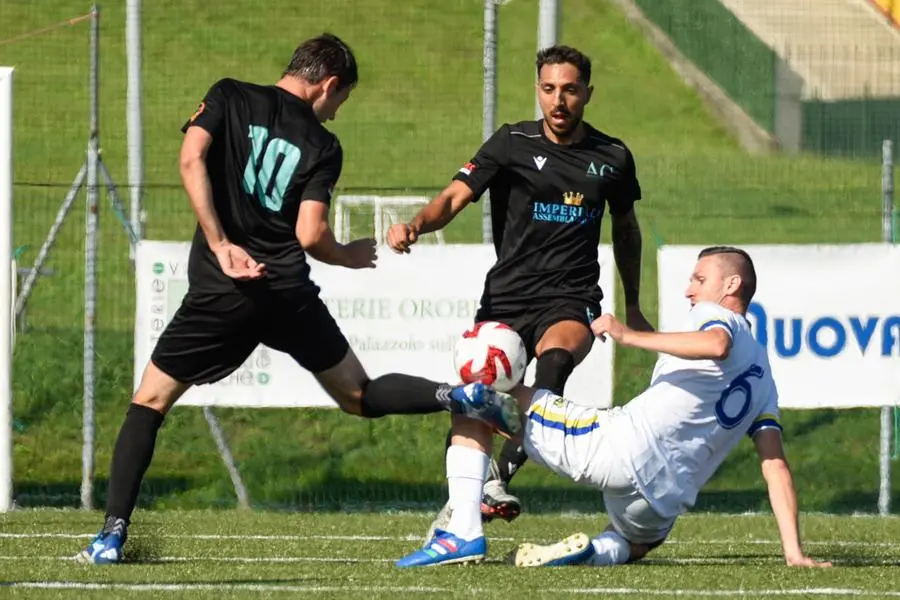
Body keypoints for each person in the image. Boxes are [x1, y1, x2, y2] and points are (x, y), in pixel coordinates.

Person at [76, 33, 519, 565]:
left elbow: (191, 159)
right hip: (286, 291)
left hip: (225, 291)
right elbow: (310, 236)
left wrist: (220, 243)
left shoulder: (229, 95)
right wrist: (347, 255)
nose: (335, 114)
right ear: (328, 85)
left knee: (148, 403)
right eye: (341, 102)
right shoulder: (323, 145)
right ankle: (457, 396)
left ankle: (110, 535)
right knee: (358, 394)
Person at [395, 246, 832, 569]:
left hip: (620, 448)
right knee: (635, 543)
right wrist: (793, 552)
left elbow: (716, 343)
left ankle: (462, 533)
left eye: (699, 279)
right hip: (662, 502)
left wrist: (627, 335)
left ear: (731, 284)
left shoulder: (720, 320)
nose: (688, 289)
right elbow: (775, 467)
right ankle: (595, 552)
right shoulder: (765, 378)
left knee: (479, 402)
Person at [387, 44, 652, 533]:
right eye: (549, 89)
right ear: (538, 90)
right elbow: (454, 196)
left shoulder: (612, 156)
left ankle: (497, 477)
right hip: (507, 297)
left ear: (587, 94)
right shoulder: (511, 143)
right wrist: (417, 225)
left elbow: (627, 230)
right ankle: (466, 499)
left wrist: (633, 304)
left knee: (551, 374)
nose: (559, 101)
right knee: (480, 396)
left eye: (570, 90)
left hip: (571, 298)